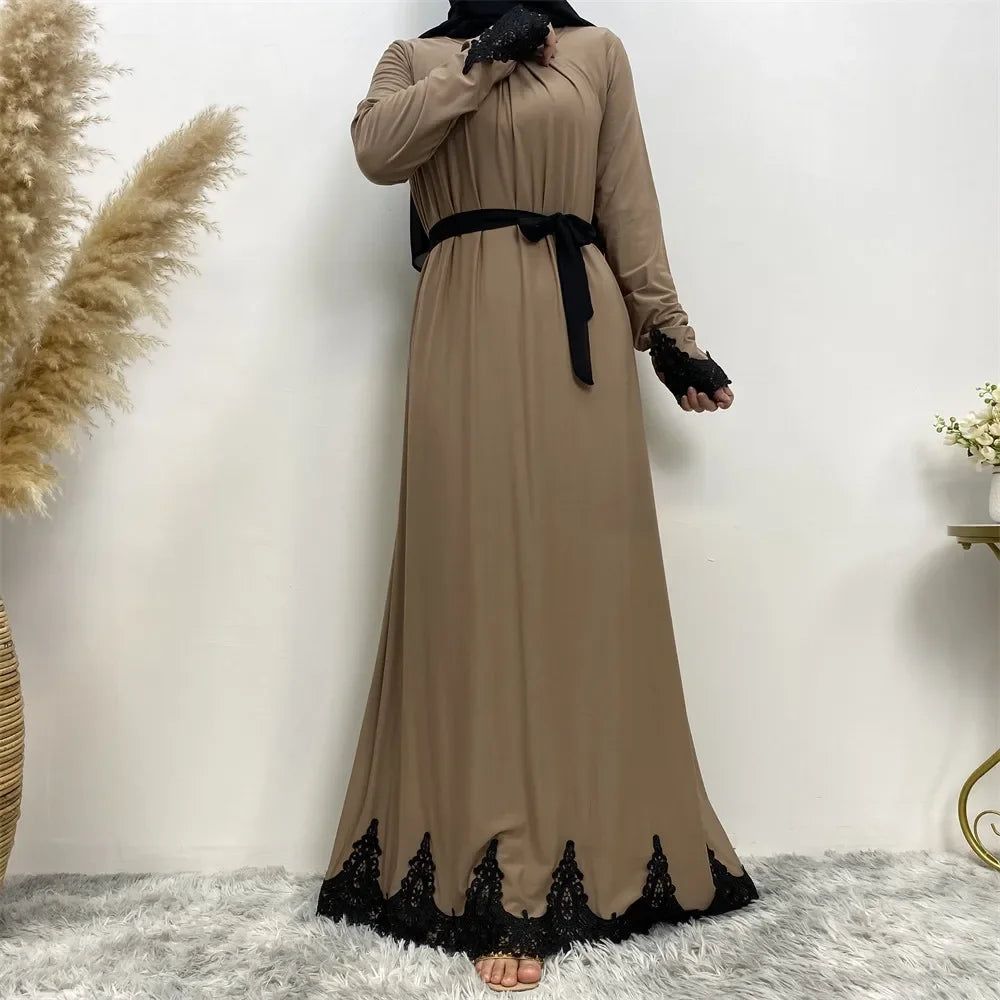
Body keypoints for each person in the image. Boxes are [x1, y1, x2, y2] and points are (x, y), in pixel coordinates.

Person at [317, 1, 756, 992]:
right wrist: (482, 60)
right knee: (471, 585)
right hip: (462, 324)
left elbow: (627, 199)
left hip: (577, 332)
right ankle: (493, 872)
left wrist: (670, 338)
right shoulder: (415, 58)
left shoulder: (599, 52)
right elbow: (378, 153)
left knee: (582, 585)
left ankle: (591, 849)